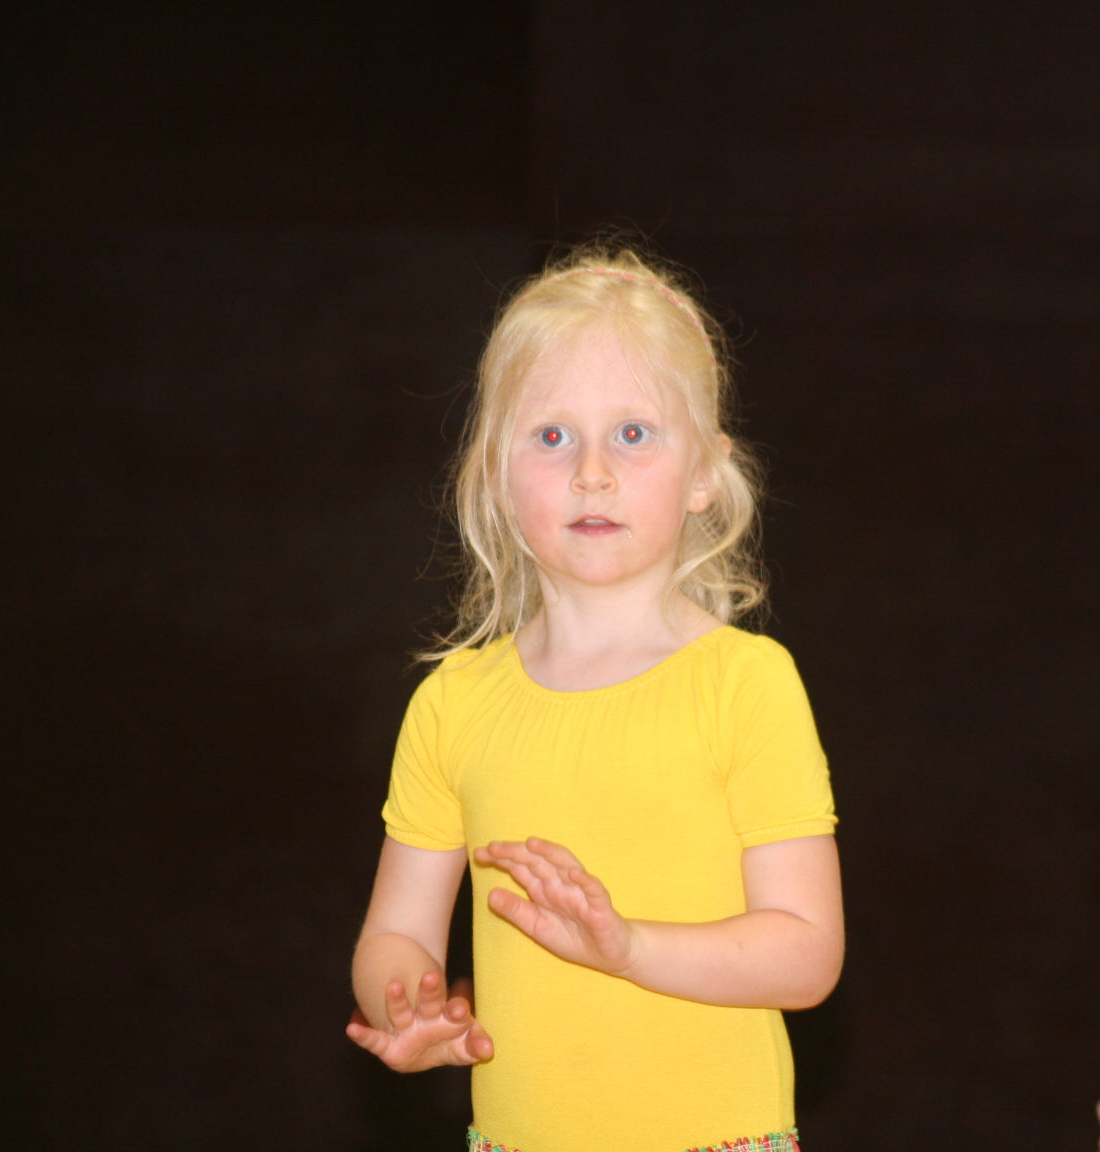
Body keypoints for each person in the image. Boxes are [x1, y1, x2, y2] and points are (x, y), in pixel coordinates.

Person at [345, 245, 843, 1152]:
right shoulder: (452, 706)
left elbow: (807, 955)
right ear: (495, 475)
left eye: (634, 433)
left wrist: (630, 949)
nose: (592, 473)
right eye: (551, 437)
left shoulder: (747, 683)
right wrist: (406, 1004)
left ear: (705, 472)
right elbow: (395, 935)